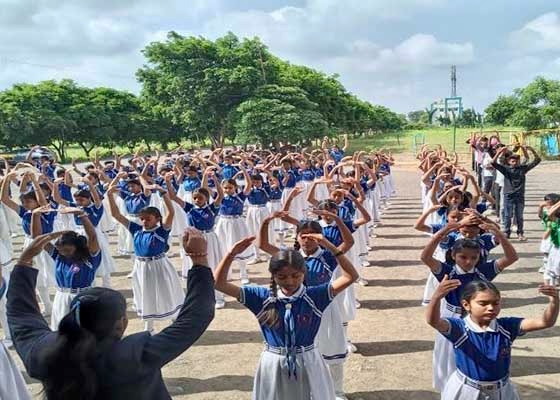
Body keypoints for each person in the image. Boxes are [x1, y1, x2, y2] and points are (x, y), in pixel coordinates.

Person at [6, 229, 215, 400]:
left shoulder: (45, 353)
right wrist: (199, 259)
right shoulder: (134, 355)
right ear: (122, 323)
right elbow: (195, 318)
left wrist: (24, 263)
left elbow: (21, 317)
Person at [214, 235, 359, 400]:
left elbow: (350, 276)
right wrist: (231, 254)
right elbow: (219, 283)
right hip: (273, 363)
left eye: (296, 276)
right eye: (282, 277)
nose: (289, 281)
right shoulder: (261, 297)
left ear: (304, 273)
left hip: (309, 361)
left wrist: (330, 247)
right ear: (273, 275)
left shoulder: (315, 296)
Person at [420, 219, 519, 392]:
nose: (468, 261)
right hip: (451, 316)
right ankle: (449, 390)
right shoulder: (446, 271)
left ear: (479, 257)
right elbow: (425, 257)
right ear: (453, 255)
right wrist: (443, 230)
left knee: (472, 353)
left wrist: (500, 234)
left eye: (474, 257)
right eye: (463, 257)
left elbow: (512, 257)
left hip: (475, 317)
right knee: (447, 354)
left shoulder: (484, 272)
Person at [426, 278, 559, 399]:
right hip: (467, 391)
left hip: (502, 390)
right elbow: (434, 321)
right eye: (483, 303)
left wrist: (554, 301)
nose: (491, 308)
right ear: (466, 305)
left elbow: (545, 322)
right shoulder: (459, 328)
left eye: (495, 303)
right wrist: (437, 297)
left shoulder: (507, 326)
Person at [107, 184, 184, 332]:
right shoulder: (135, 229)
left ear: (157, 219)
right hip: (141, 266)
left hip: (159, 265)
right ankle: (149, 325)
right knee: (145, 292)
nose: (144, 221)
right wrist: (110, 196)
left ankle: (175, 318)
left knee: (165, 290)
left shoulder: (162, 231)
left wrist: (163, 194)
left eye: (148, 219)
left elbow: (171, 212)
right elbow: (116, 215)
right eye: (142, 219)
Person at [491, 145, 541, 241]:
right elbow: (493, 162)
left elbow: (537, 160)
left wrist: (532, 149)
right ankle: (506, 232)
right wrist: (499, 152)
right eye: (512, 161)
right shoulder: (506, 169)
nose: (515, 162)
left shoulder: (523, 169)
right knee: (507, 215)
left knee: (519, 215)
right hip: (508, 195)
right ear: (509, 162)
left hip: (519, 195)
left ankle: (520, 233)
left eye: (516, 161)